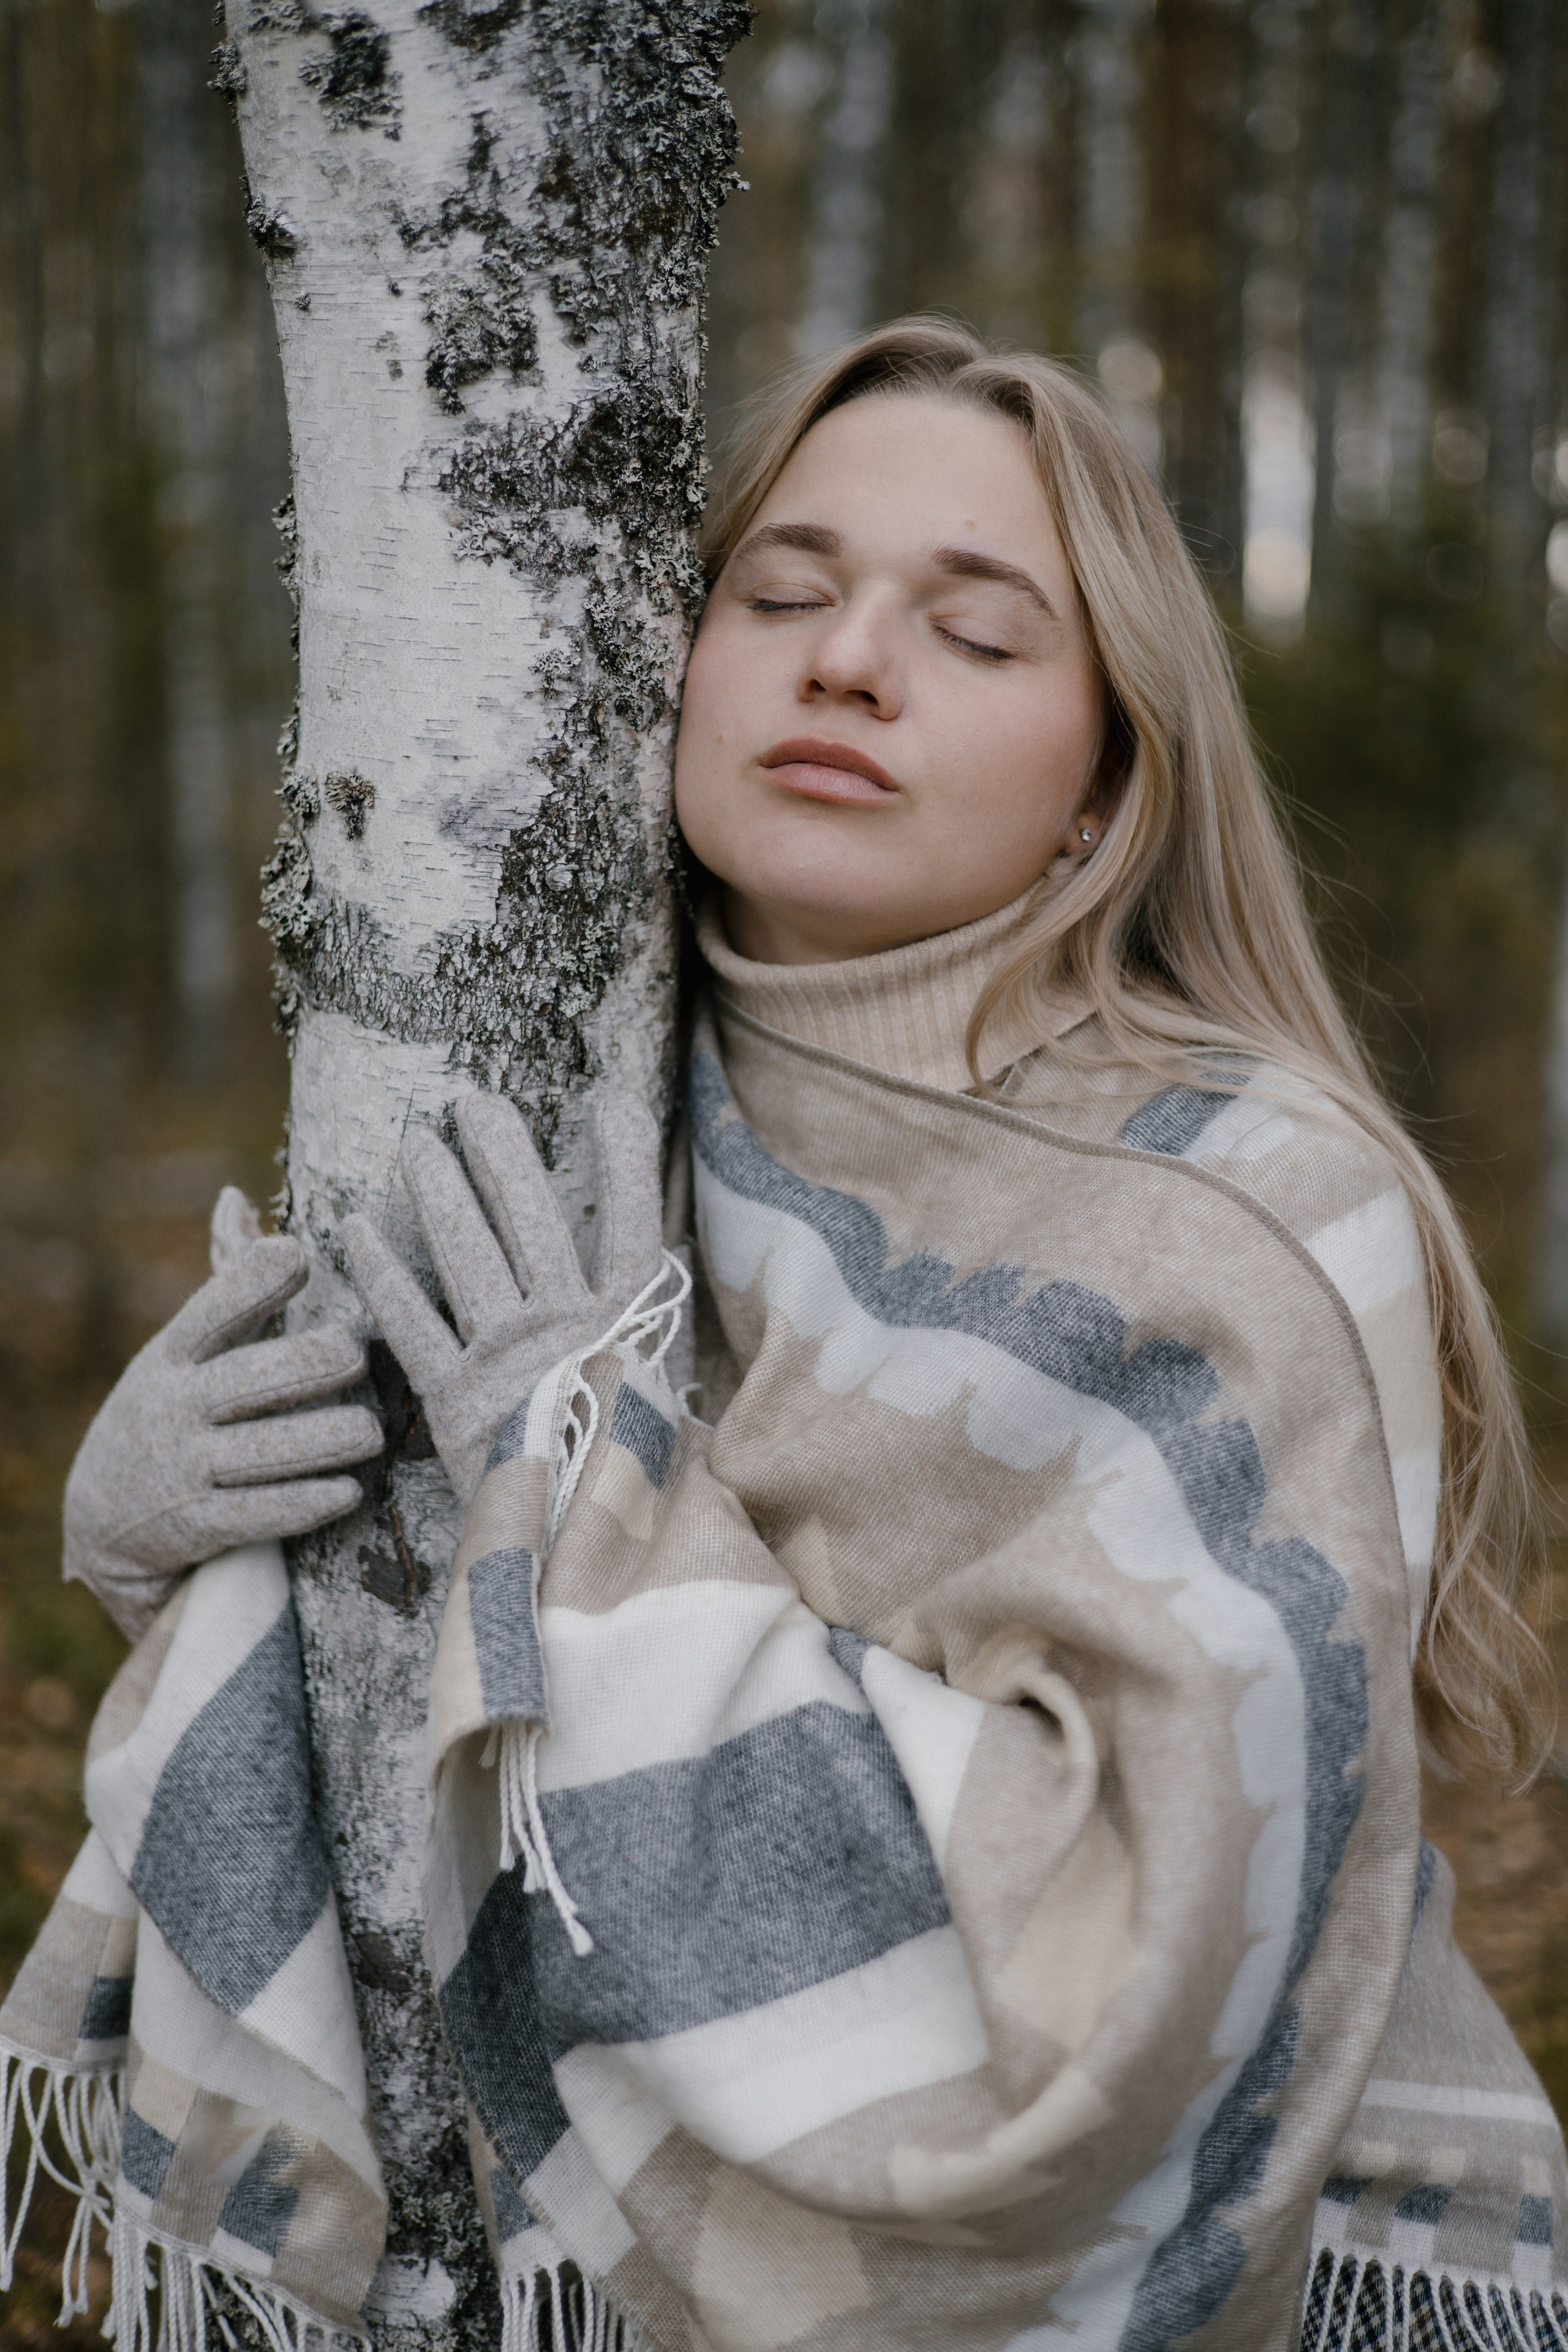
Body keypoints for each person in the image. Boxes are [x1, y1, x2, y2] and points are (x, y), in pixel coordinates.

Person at [32, 320, 1568, 2352]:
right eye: (782, 593)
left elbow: (1138, 1962)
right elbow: (412, 1725)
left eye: (981, 631)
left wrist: (583, 1498)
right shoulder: (560, 1116)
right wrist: (173, 1553)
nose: (847, 660)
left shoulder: (1260, 1217)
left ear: (1112, 776)